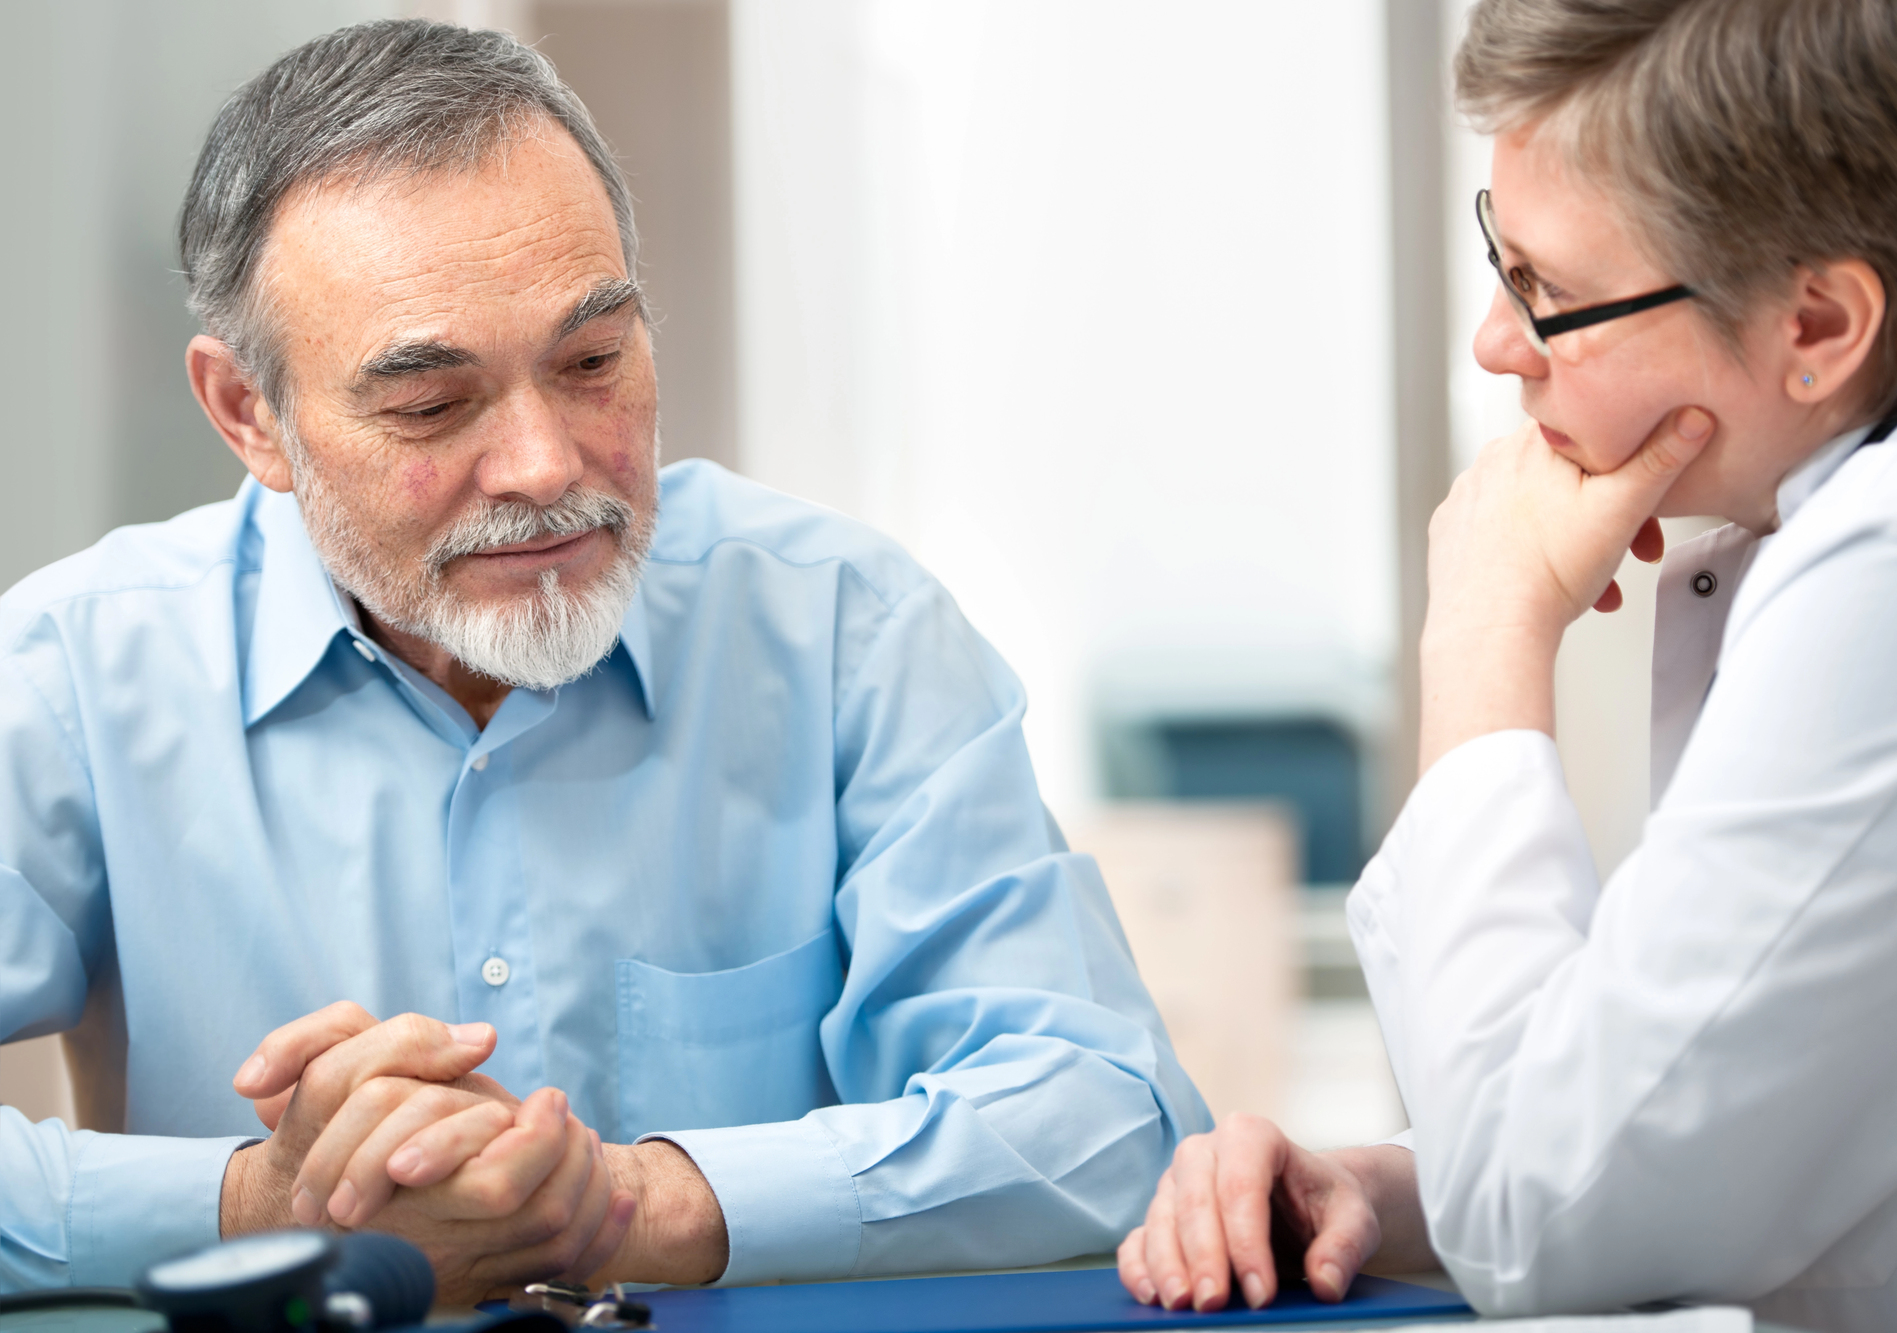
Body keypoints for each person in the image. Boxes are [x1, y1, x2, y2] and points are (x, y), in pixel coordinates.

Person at [0, 19, 1207, 1301]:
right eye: (431, 404)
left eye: (590, 362)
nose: (544, 465)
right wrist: (259, 1202)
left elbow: (1106, 1119)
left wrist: (629, 1202)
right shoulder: (79, 671)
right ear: (251, 414)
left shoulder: (846, 630)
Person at [1118, 2, 1897, 1330]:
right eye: (1498, 255)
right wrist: (1390, 1190)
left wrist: (1484, 632)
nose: (1494, 341)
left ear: (1818, 323)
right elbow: (1740, 1125)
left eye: (1556, 293)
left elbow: (1551, 1215)